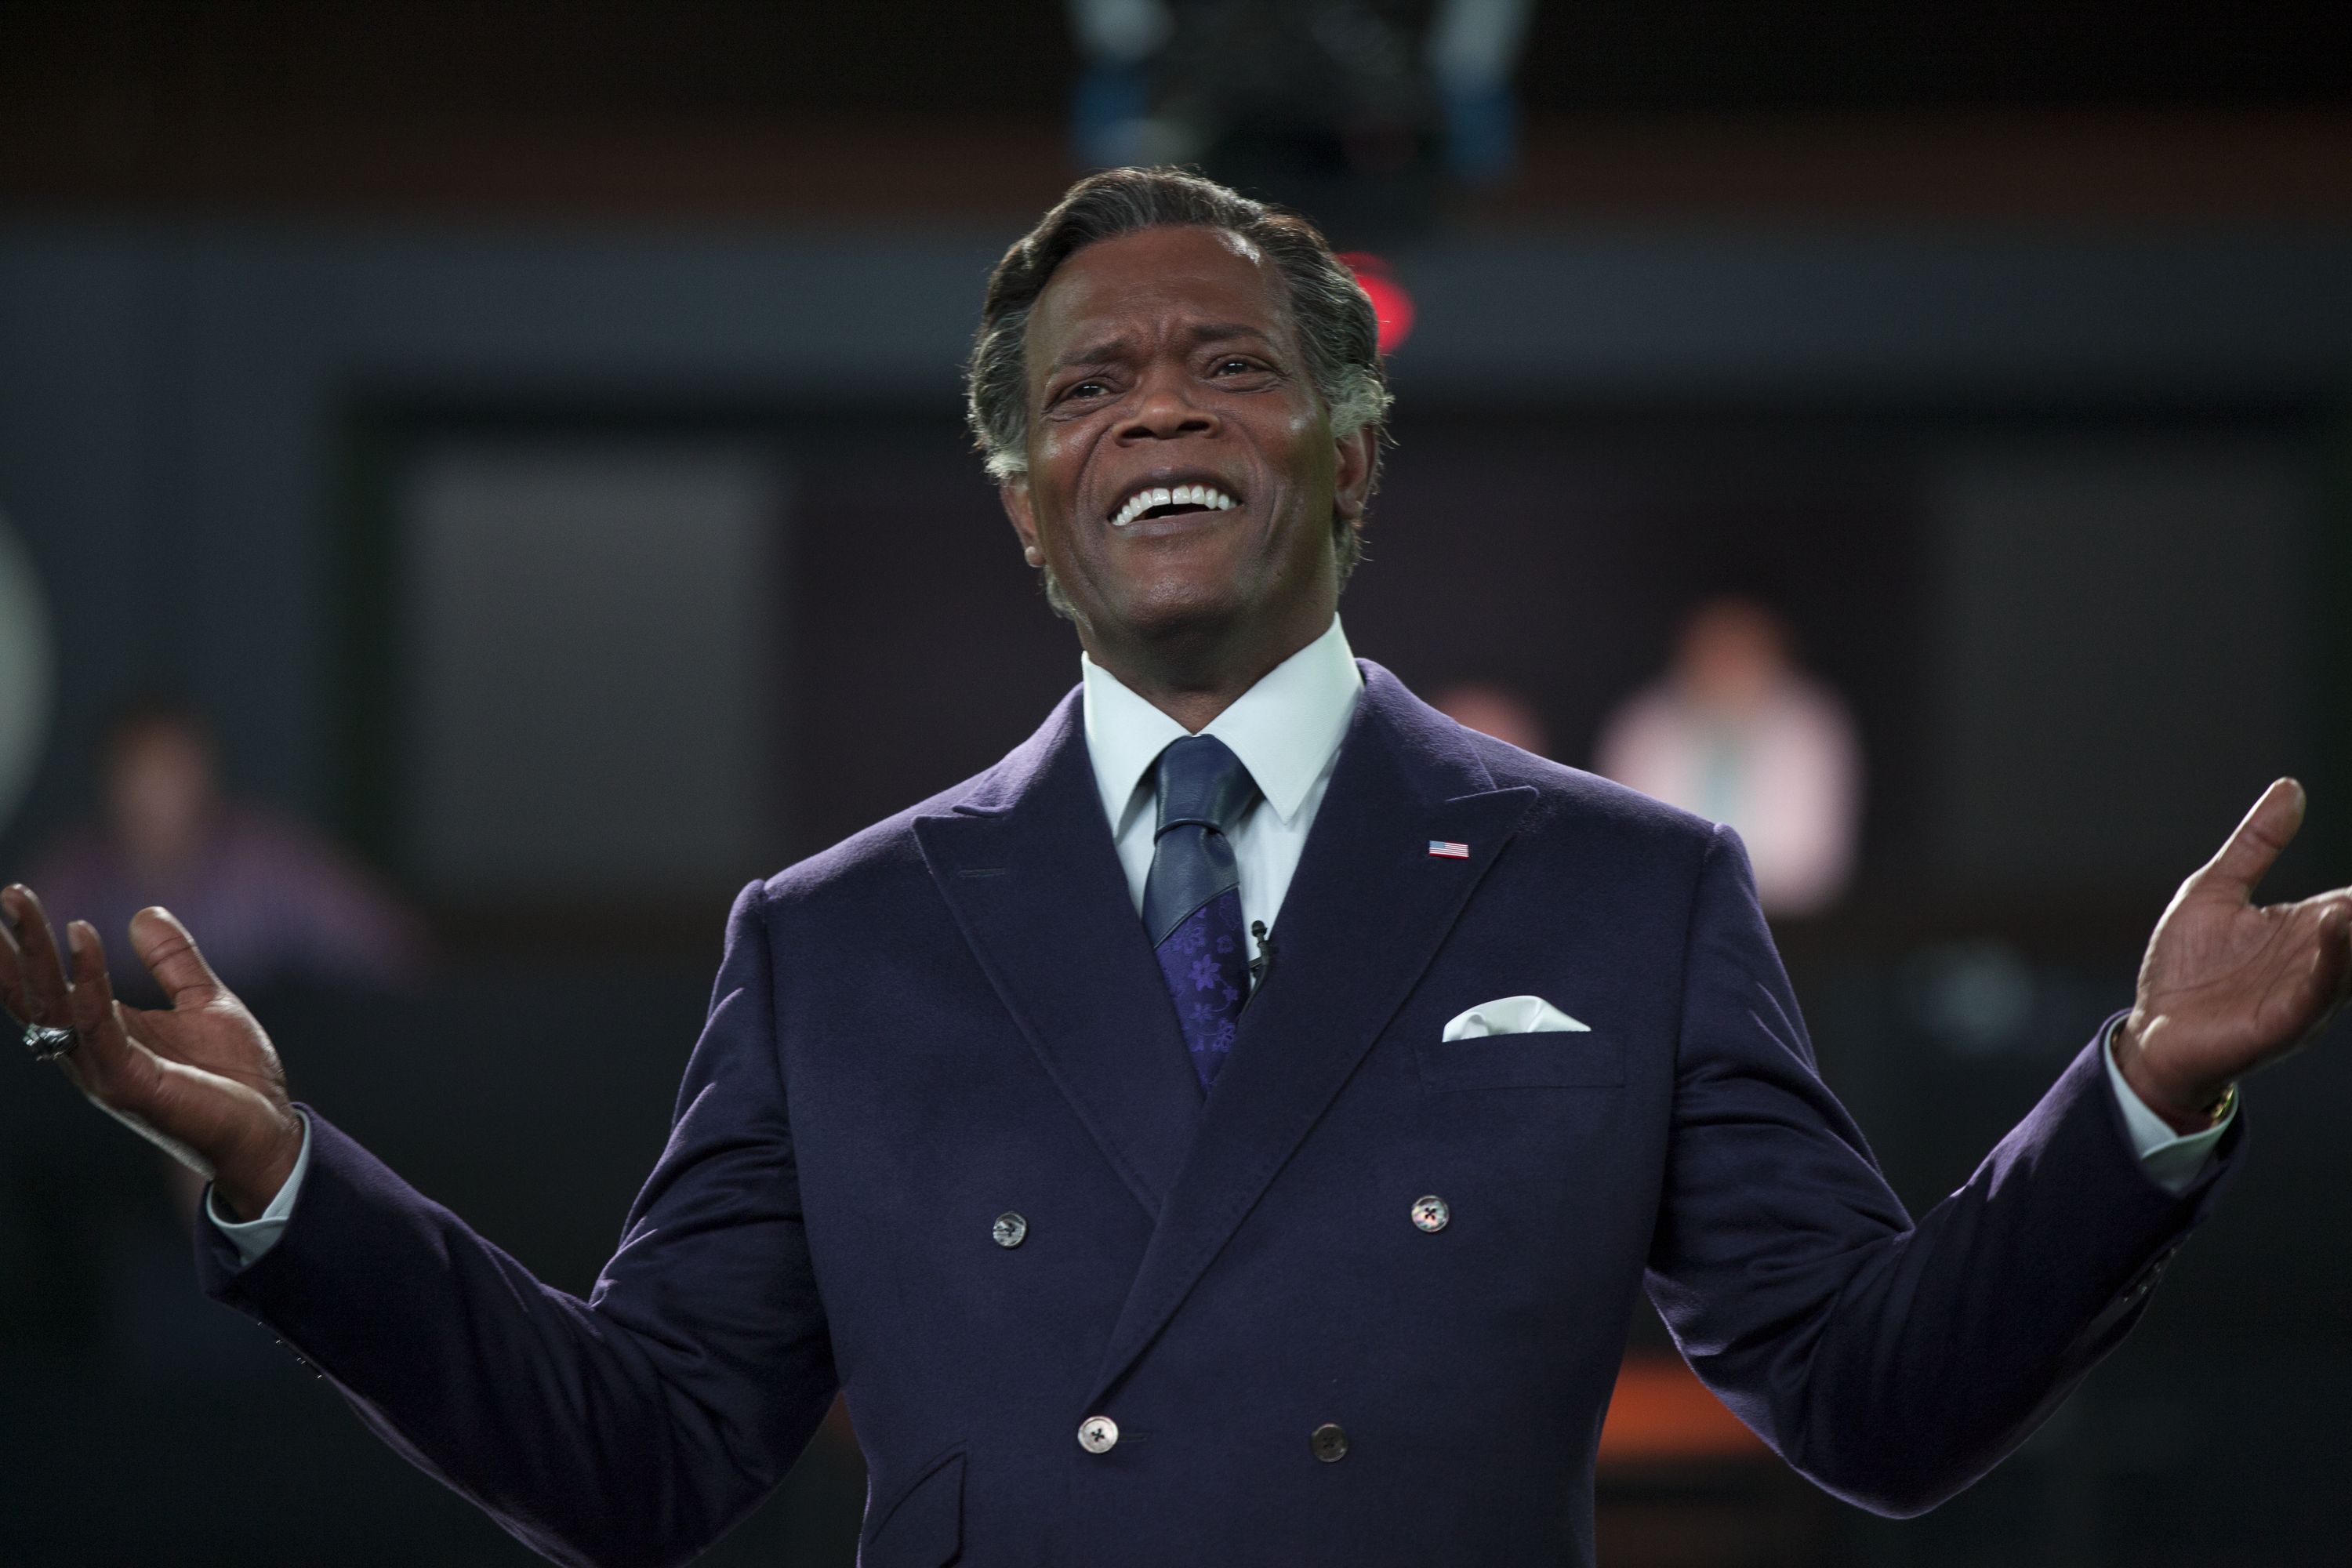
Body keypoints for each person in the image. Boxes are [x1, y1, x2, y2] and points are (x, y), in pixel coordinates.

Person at [3, 168, 2347, 1568]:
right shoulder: (834, 943)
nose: (1151, 408)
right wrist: (287, 1180)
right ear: (1030, 507)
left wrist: (2140, 1094)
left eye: (1223, 365)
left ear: (1349, 453)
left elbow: (1871, 1400)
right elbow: (641, 1461)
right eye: (1085, 388)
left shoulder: (1623, 891)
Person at [20, 701, 426, 1000]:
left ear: (206, 774)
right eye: (138, 774)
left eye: (171, 770)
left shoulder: (267, 859)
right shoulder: (75, 868)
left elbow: (389, 951)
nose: (155, 794)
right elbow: (16, 970)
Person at [1596, 597, 1863, 918]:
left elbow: (1810, 858)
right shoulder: (1644, 722)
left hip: (1785, 915)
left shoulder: (1810, 723)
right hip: (1665, 909)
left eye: (1741, 653)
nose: (1726, 666)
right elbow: (1631, 836)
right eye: (1714, 651)